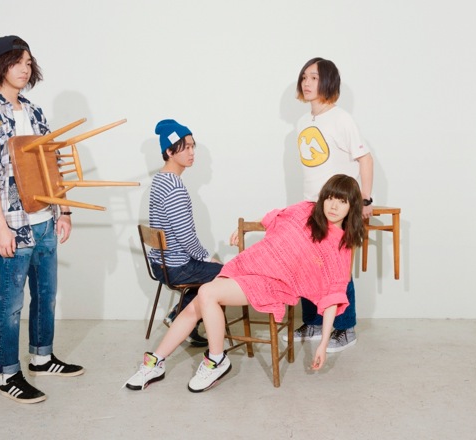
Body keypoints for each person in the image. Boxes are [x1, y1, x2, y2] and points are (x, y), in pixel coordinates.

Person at [124, 174, 365, 392]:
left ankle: (216, 360)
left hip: (272, 285)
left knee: (206, 292)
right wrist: (243, 230)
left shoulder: (340, 247)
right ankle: (156, 362)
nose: (333, 206)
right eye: (330, 198)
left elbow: (333, 297)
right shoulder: (306, 210)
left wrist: (323, 343)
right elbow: (275, 217)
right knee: (195, 306)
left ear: (352, 206)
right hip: (249, 265)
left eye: (342, 201)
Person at [0, 35, 83, 404]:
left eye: (28, 62)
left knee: (46, 294)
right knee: (10, 301)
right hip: (11, 223)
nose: (24, 69)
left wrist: (63, 210)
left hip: (45, 217)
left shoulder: (34, 112)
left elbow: (51, 164)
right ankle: (8, 373)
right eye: (16, 62)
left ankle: (42, 358)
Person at [285, 57, 375, 353]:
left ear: (328, 82)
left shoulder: (341, 118)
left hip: (338, 204)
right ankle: (313, 322)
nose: (307, 83)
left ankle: (345, 328)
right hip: (312, 204)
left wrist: (365, 199)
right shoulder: (302, 122)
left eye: (314, 77)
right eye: (304, 77)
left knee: (337, 268)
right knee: (308, 265)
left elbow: (365, 159)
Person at [148, 119, 224, 347]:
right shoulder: (175, 187)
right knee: (225, 275)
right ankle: (180, 316)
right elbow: (185, 236)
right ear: (170, 152)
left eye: (192, 146)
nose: (192, 153)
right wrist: (207, 257)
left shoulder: (159, 180)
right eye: (186, 148)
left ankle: (182, 318)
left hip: (160, 262)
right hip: (176, 267)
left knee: (211, 272)